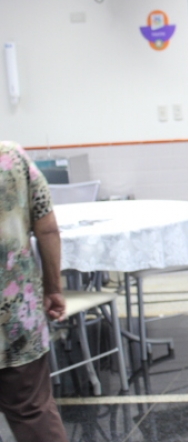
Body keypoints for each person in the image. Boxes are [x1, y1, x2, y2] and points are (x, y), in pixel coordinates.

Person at [0, 141, 68, 442]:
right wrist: (53, 288)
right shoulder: (12, 157)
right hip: (15, 317)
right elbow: (47, 228)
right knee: (32, 411)